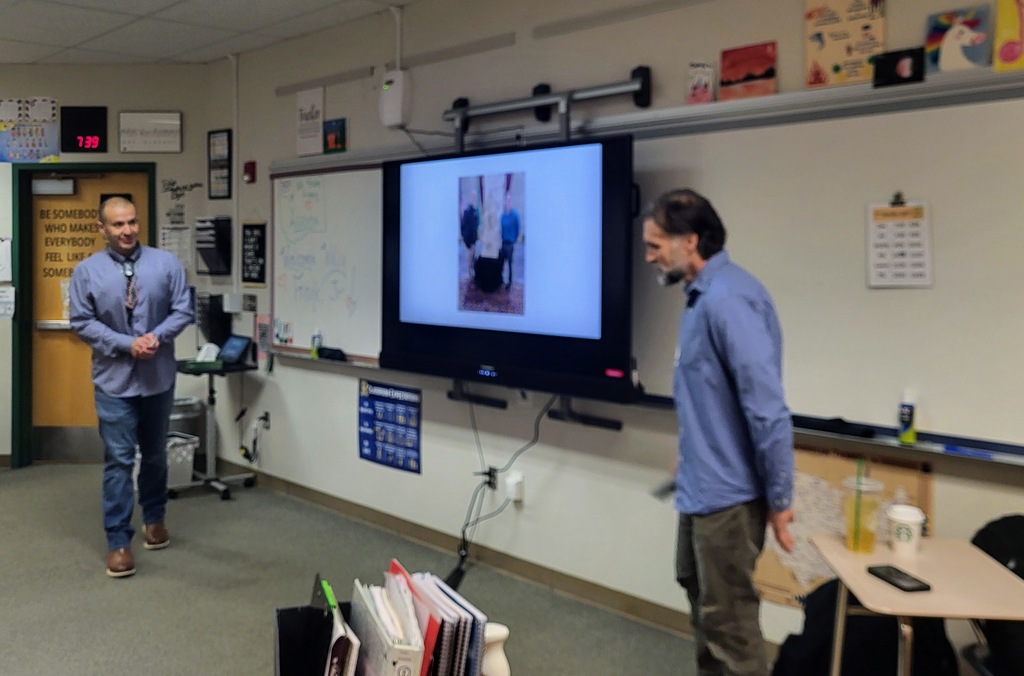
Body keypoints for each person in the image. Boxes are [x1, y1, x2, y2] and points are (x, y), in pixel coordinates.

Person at [642, 188, 795, 676]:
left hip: (729, 498)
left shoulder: (729, 299)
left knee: (730, 625)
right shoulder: (700, 297)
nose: (648, 257)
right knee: (701, 598)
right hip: (701, 486)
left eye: (655, 245)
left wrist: (781, 499)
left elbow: (767, 410)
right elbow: (711, 397)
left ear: (690, 241)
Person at [69, 196, 194, 578]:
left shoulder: (166, 264)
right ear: (102, 228)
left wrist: (156, 336)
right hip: (114, 382)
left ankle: (154, 519)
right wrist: (127, 344)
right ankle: (118, 541)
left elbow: (183, 310)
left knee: (154, 455)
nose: (127, 231)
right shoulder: (87, 272)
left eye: (132, 222)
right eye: (118, 224)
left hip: (158, 379)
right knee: (120, 460)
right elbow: (82, 321)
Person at [499, 190, 520, 290]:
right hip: (503, 243)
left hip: (510, 244)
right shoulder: (502, 215)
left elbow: (517, 229)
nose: (507, 202)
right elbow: (500, 229)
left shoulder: (515, 215)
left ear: (511, 201)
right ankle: (501, 280)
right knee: (502, 262)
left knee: (510, 264)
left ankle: (510, 282)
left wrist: (514, 241)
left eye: (509, 200)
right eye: (506, 200)